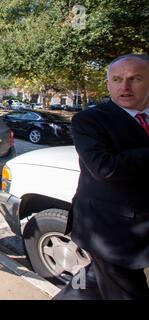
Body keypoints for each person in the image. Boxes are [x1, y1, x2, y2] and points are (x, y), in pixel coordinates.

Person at [53, 54, 149, 300]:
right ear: (108, 85)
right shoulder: (89, 120)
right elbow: (105, 168)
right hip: (110, 230)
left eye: (134, 78)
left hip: (138, 226)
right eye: (117, 79)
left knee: (93, 281)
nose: (124, 87)